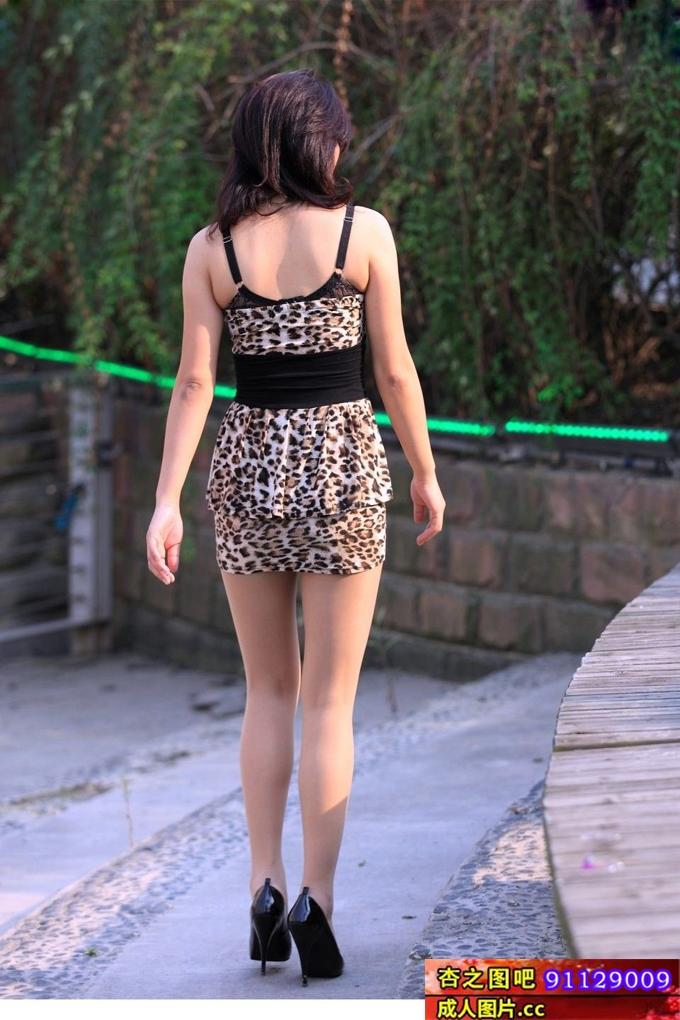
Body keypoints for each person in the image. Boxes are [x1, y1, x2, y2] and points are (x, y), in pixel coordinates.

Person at [146, 67, 446, 987]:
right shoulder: (364, 232)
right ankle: (317, 898)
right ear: (319, 141)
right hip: (343, 472)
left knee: (268, 692)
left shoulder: (212, 250)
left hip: (246, 474)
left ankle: (264, 885)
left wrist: (165, 501)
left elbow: (195, 384)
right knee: (328, 702)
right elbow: (393, 370)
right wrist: (425, 470)